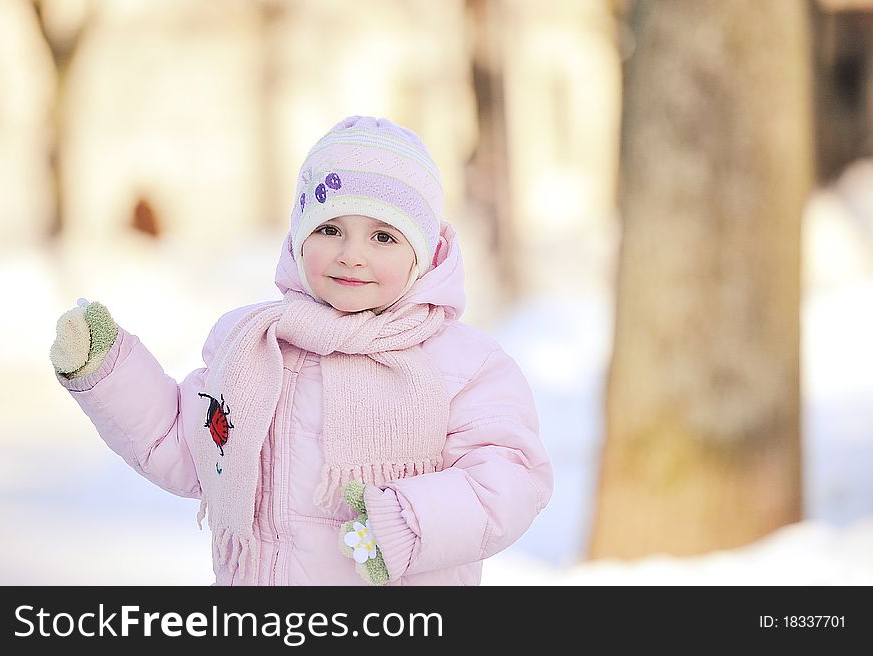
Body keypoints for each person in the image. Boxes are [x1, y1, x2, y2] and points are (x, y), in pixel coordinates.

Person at [49, 115, 553, 586]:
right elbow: (188, 448)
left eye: (383, 236)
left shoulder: (464, 365)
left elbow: (509, 480)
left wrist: (407, 521)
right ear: (298, 237)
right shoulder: (257, 346)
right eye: (329, 229)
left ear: (422, 255)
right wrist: (109, 372)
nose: (351, 254)